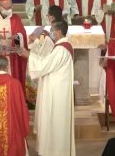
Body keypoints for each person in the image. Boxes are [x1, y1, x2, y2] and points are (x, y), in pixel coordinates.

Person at [20, 19, 75, 156]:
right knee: (55, 122)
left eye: (52, 30)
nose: (50, 32)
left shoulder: (61, 49)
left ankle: (55, 152)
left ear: (59, 32)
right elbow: (46, 61)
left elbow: (43, 65)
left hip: (56, 93)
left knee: (55, 122)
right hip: (57, 90)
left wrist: (28, 56)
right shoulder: (61, 47)